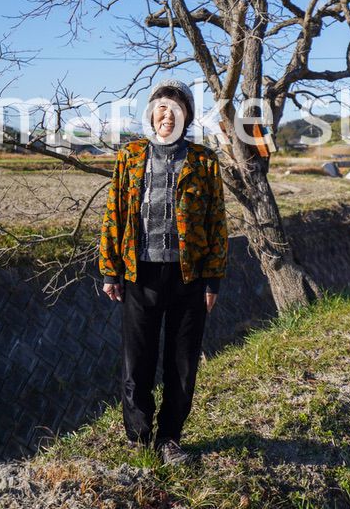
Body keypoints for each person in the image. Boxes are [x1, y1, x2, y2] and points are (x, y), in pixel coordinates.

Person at [99, 78, 229, 465]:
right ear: (151, 114)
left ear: (185, 117)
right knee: (137, 362)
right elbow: (114, 214)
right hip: (140, 275)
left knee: (181, 363)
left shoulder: (203, 160)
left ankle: (169, 438)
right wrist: (110, 270)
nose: (166, 114)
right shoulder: (130, 156)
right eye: (160, 107)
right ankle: (139, 439)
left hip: (189, 279)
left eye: (175, 108)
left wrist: (213, 278)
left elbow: (217, 222)